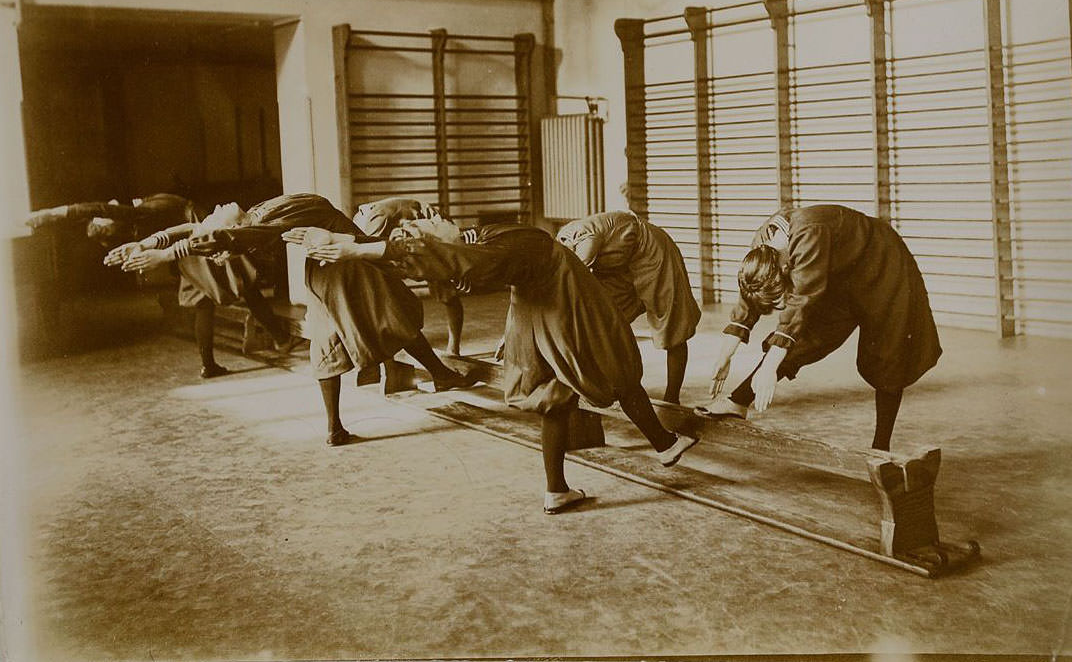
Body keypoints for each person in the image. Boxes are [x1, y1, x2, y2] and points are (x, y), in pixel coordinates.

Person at [284, 217, 700, 514]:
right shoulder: (498, 247)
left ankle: (560, 489)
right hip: (566, 306)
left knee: (554, 394)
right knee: (618, 368)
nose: (433, 217)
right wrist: (360, 248)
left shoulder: (483, 246)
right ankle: (663, 445)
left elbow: (455, 257)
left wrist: (358, 243)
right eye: (423, 226)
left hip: (534, 315)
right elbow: (455, 258)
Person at [117, 193, 476, 446]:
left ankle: (341, 424)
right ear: (233, 233)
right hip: (345, 268)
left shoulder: (257, 214)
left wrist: (150, 244)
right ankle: (438, 377)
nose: (215, 209)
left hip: (326, 269)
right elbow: (212, 235)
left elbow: (193, 231)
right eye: (214, 216)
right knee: (391, 317)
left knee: (338, 336)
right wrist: (164, 256)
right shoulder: (260, 226)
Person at [707, 204, 941, 452]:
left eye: (779, 299)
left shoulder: (809, 238)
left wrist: (770, 366)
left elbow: (798, 307)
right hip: (838, 271)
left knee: (887, 356)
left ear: (784, 271)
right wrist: (725, 354)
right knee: (803, 341)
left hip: (882, 262)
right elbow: (749, 297)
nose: (779, 306)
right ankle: (738, 402)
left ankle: (880, 448)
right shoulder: (762, 250)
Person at [26, 194, 293, 378]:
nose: (106, 208)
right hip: (199, 238)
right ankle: (276, 340)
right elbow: (100, 208)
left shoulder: (140, 207)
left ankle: (213, 362)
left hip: (190, 242)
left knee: (215, 297)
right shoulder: (138, 212)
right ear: (112, 220)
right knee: (240, 289)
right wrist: (51, 213)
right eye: (103, 217)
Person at [556, 210, 701, 403]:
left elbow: (571, 286)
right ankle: (612, 383)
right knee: (603, 319)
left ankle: (672, 398)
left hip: (652, 250)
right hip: (618, 264)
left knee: (672, 327)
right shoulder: (559, 242)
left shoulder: (584, 239)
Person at [353, 197, 464, 356]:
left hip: (432, 226)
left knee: (446, 292)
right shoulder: (362, 225)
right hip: (408, 227)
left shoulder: (372, 224)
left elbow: (381, 253)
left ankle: (454, 348)